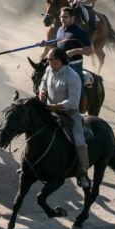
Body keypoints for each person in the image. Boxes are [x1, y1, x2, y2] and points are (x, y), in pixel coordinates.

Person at [38, 48, 91, 191]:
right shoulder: (49, 70)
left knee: (79, 141)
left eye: (50, 60)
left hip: (68, 113)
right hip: (49, 109)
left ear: (59, 61)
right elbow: (42, 83)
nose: (48, 62)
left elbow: (73, 102)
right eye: (48, 60)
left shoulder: (72, 76)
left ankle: (83, 173)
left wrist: (55, 107)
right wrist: (42, 92)